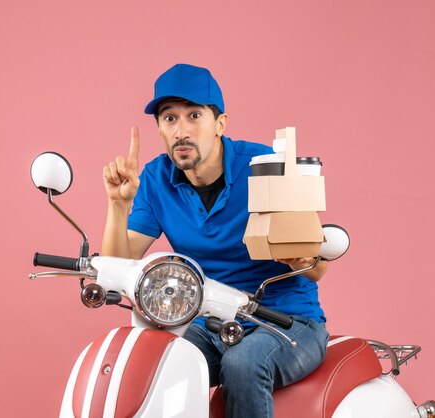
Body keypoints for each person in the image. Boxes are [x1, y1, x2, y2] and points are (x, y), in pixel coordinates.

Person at [101, 63, 329, 418]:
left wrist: (298, 254)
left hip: (288, 321)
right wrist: (118, 205)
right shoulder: (156, 178)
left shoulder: (264, 166)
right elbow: (118, 268)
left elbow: (318, 269)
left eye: (194, 115)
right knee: (157, 359)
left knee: (242, 363)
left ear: (220, 123)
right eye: (169, 118)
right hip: (210, 321)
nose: (181, 130)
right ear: (159, 128)